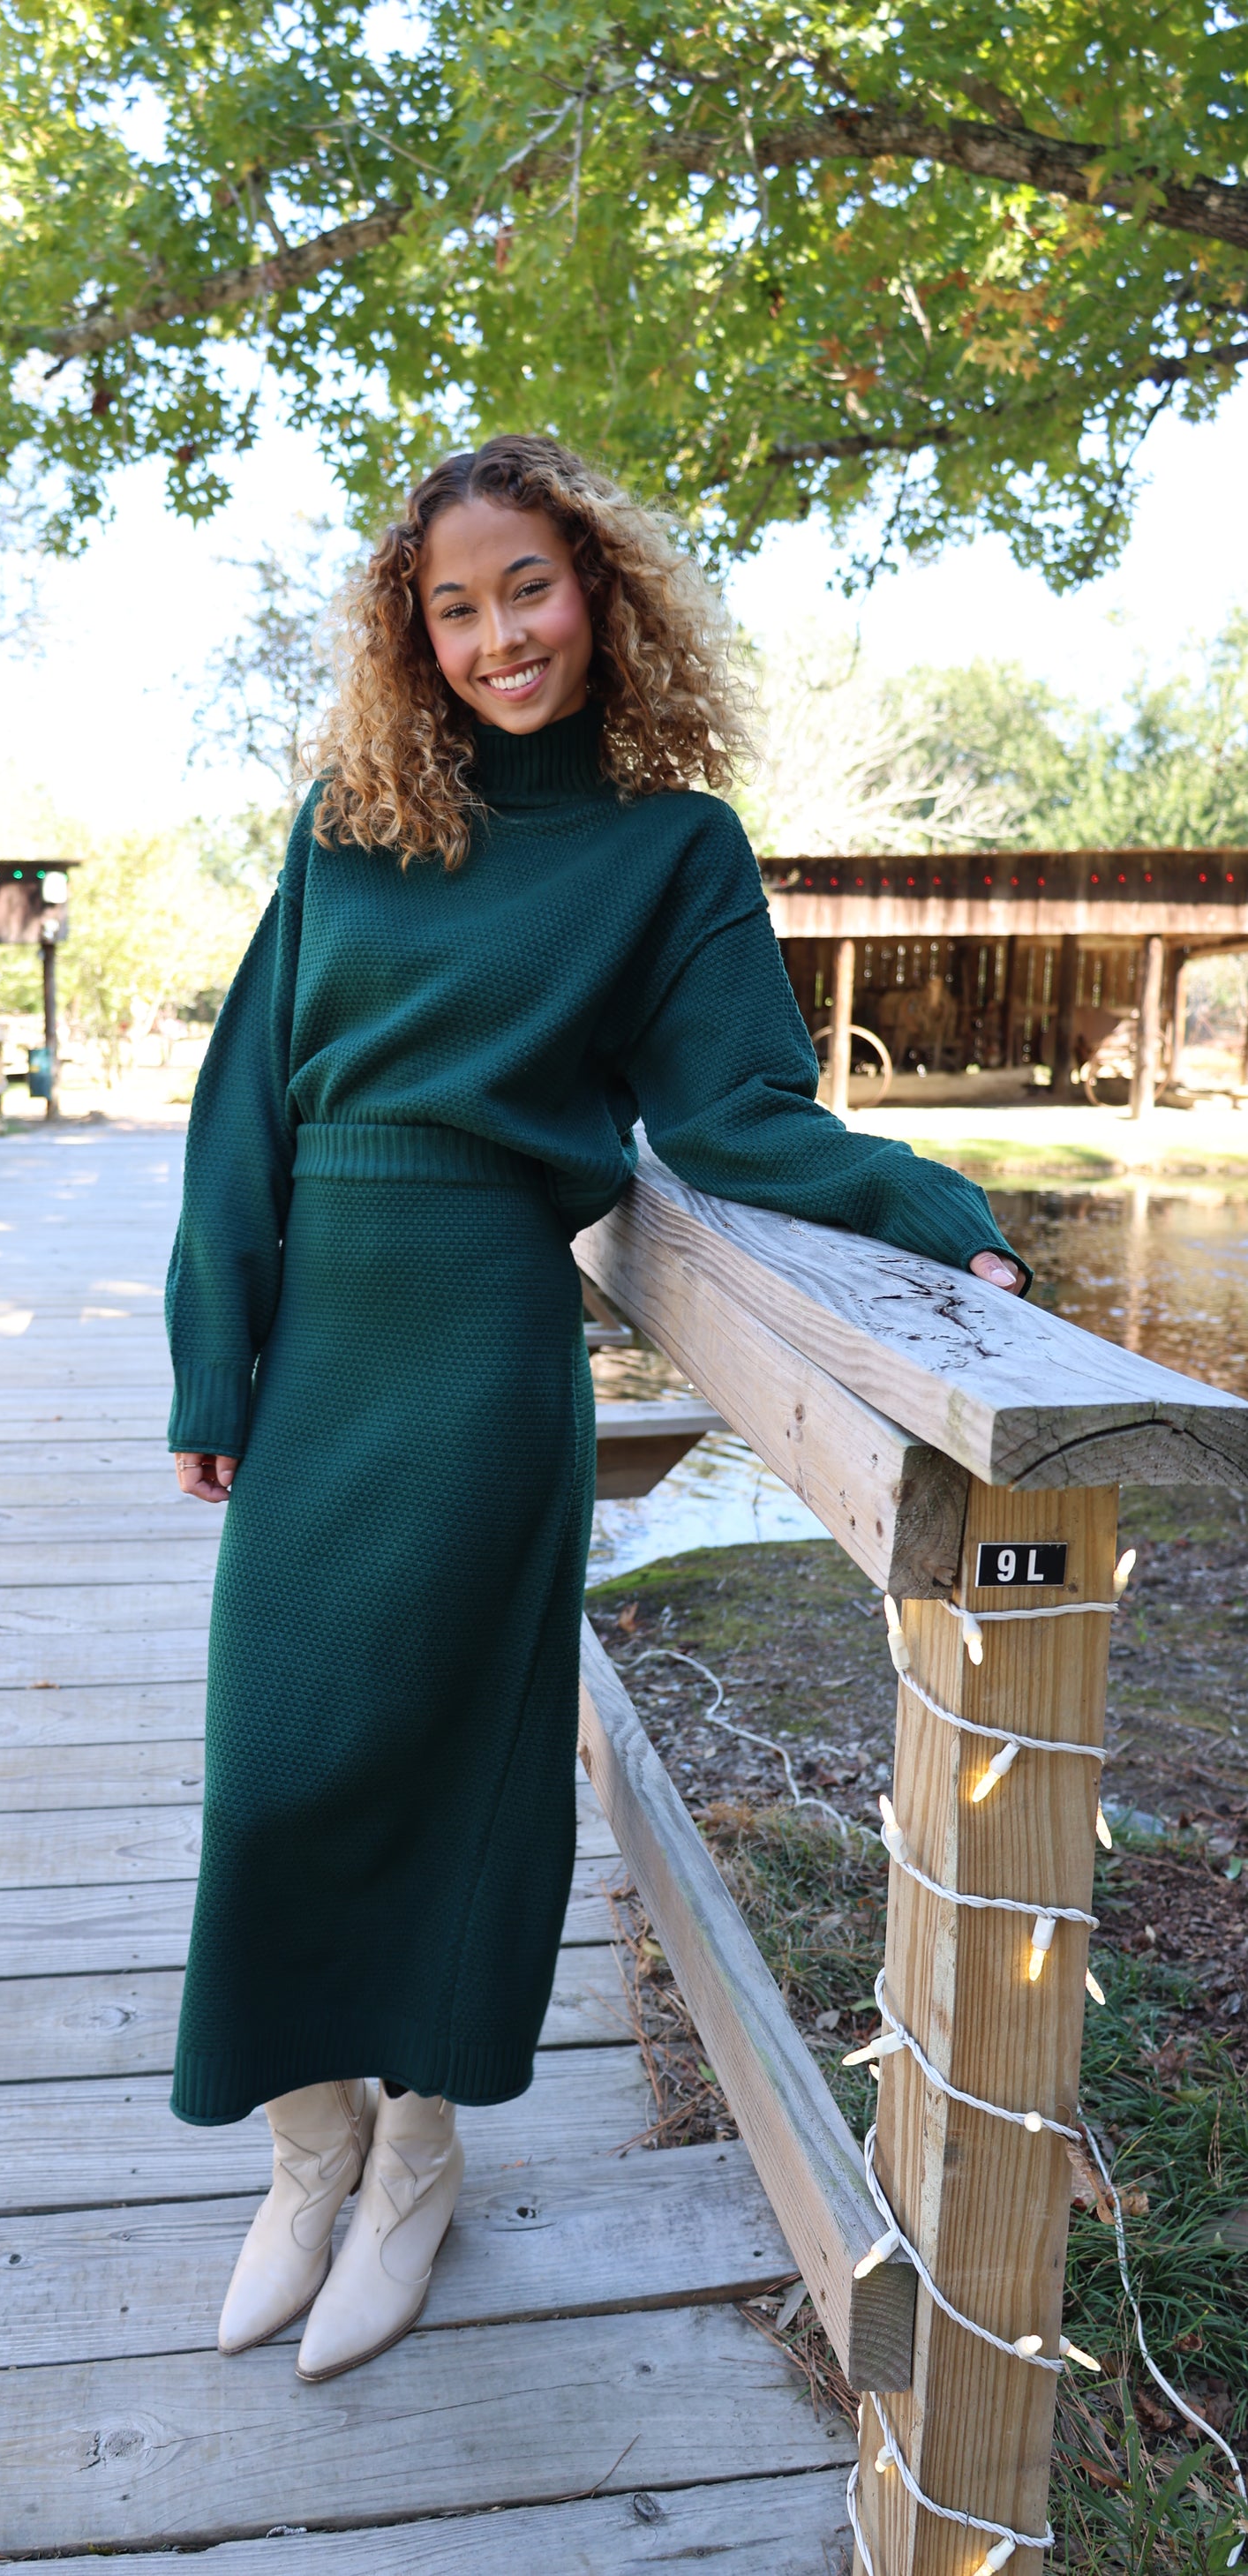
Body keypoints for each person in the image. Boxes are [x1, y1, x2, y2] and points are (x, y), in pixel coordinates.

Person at [164, 434, 1026, 2386]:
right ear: (412, 632)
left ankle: (418, 2158)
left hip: (482, 1334)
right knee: (275, 1766)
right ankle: (305, 2154)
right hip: (322, 1337)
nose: (497, 637)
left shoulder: (672, 847)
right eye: (454, 607)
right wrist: (216, 1350)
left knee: (445, 1758)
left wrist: (931, 1214)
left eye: (527, 589)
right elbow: (243, 1107)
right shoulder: (350, 825)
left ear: (600, 593)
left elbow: (735, 1113)